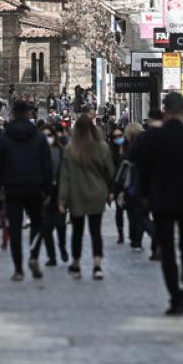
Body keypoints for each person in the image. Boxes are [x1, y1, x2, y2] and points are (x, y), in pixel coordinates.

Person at [128, 92, 183, 316]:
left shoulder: (152, 137)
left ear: (165, 110)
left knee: (167, 250)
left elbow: (143, 170)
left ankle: (175, 296)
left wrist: (144, 197)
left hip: (161, 201)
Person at [0, 101, 53, 281]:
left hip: (13, 187)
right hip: (35, 186)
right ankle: (33, 255)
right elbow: (47, 166)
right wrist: (48, 190)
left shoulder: (5, 138)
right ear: (29, 114)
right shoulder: (39, 137)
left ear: (13, 114)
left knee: (15, 228)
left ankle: (18, 269)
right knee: (37, 223)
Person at [58, 116, 115, 281]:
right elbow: (110, 171)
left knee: (77, 231)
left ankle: (76, 264)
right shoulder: (102, 148)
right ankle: (97, 265)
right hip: (97, 193)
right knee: (96, 230)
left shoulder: (70, 150)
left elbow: (65, 177)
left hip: (76, 195)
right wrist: (110, 191)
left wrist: (62, 200)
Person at [121, 122, 155, 256]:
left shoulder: (131, 147)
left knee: (134, 214)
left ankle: (137, 239)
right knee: (142, 214)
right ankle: (137, 240)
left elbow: (127, 163)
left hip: (133, 185)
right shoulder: (148, 144)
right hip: (147, 185)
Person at [40, 125, 69, 265]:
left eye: (49, 135)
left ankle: (62, 247)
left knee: (61, 225)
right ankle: (51, 256)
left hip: (59, 192)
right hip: (44, 194)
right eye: (44, 135)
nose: (47, 138)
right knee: (46, 228)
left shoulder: (61, 151)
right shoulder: (38, 153)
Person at [109, 126, 129, 245]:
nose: (118, 138)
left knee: (131, 211)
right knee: (119, 210)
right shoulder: (111, 152)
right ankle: (120, 233)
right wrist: (111, 190)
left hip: (128, 184)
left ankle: (134, 235)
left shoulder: (129, 148)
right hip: (117, 185)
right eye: (115, 136)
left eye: (120, 136)